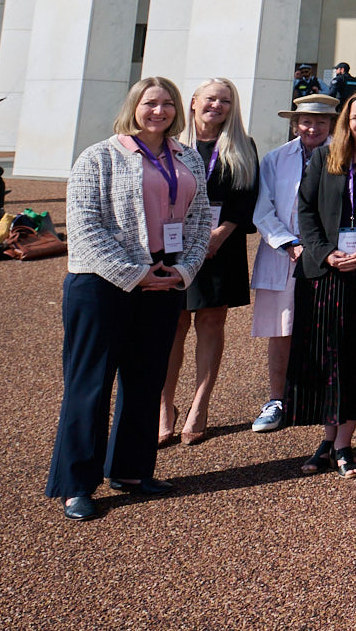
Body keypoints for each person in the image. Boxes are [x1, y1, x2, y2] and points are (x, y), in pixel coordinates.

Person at [45, 77, 212, 522]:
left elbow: (198, 226)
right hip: (104, 283)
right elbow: (83, 226)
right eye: (150, 103)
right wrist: (136, 274)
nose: (159, 111)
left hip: (165, 280)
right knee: (91, 384)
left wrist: (182, 271)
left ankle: (132, 470)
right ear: (134, 106)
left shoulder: (188, 156)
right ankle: (76, 484)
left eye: (167, 105)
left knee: (145, 380)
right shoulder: (99, 156)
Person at [289, 89, 356, 479]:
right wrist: (325, 251)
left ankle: (344, 442)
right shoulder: (324, 159)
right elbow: (306, 211)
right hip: (325, 275)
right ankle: (327, 438)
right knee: (326, 359)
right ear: (346, 123)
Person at [159, 77, 257, 446]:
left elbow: (246, 198)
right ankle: (164, 406)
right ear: (195, 101)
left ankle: (200, 405)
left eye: (226, 101)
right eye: (211, 99)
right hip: (172, 246)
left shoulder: (242, 146)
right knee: (173, 325)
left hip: (220, 246)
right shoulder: (170, 144)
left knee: (212, 322)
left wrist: (219, 235)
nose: (217, 106)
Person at [248, 92, 339, 433]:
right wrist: (288, 243)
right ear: (294, 123)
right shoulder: (274, 159)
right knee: (280, 330)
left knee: (328, 328)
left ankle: (323, 400)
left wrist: (321, 247)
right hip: (283, 253)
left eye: (320, 121)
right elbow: (262, 208)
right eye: (305, 121)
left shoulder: (342, 156)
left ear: (331, 123)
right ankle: (277, 400)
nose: (312, 127)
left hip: (329, 255)